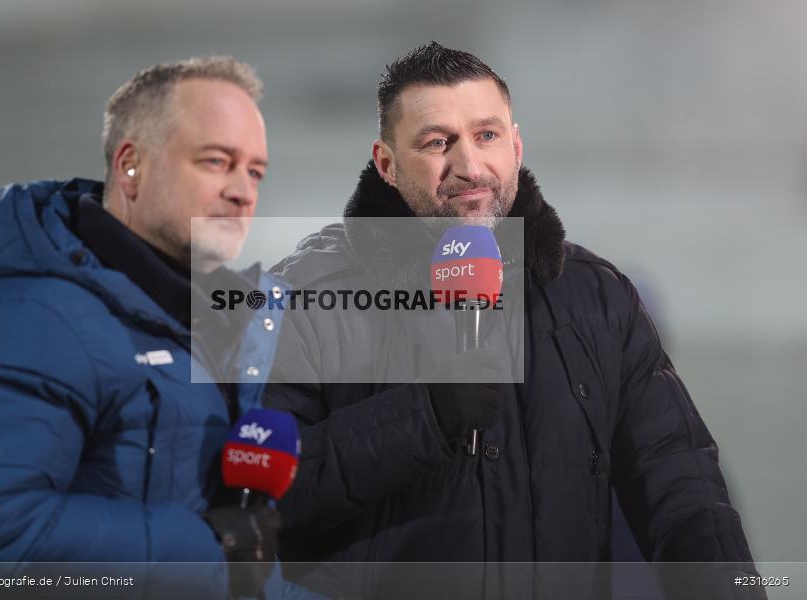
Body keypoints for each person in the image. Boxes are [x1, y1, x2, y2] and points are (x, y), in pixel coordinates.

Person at [265, 42, 764, 599]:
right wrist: (425, 415)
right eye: (437, 142)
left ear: (516, 144)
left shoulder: (596, 295)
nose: (469, 166)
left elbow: (680, 482)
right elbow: (262, 492)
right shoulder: (305, 296)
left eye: (487, 135)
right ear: (387, 163)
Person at [0, 56, 302, 599]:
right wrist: (208, 547)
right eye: (217, 162)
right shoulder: (29, 317)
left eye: (255, 171)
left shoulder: (204, 327)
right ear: (130, 167)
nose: (244, 191)